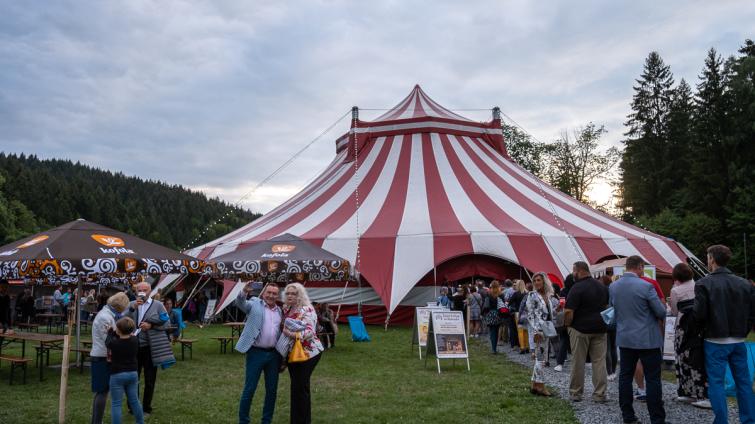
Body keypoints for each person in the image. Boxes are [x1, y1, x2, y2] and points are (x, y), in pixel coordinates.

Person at [694, 245, 755, 424]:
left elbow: (699, 314)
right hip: (738, 339)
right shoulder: (744, 283)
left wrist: (700, 332)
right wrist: (744, 330)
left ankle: (721, 421)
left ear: (712, 259)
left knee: (716, 383)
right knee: (743, 382)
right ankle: (749, 420)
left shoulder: (704, 283)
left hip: (714, 339)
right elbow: (752, 312)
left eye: (707, 257)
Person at [610, 255, 667, 424]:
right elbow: (661, 312)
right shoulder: (646, 286)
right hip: (647, 338)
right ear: (640, 266)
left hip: (625, 338)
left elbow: (613, 310)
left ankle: (628, 416)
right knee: (653, 378)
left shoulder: (613, 286)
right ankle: (657, 419)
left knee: (625, 377)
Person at [236, 282, 283, 424]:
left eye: (274, 293)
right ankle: (244, 421)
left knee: (272, 391)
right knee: (249, 388)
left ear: (278, 295)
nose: (271, 296)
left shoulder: (280, 311)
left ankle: (266, 421)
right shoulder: (254, 303)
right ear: (263, 293)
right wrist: (244, 291)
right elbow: (240, 303)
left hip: (274, 355)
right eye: (269, 292)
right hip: (255, 353)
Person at [276, 283, 324, 424]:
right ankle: (300, 419)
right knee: (298, 387)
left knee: (299, 388)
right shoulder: (287, 309)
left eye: (294, 293)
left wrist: (290, 333)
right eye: (288, 293)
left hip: (308, 354)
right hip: (293, 354)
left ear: (300, 295)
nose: (290, 296)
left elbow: (309, 331)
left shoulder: (307, 309)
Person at [124, 280, 173, 416]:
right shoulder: (130, 305)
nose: (142, 293)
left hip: (151, 347)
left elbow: (167, 324)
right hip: (133, 346)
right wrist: (132, 308)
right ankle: (132, 407)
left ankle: (146, 407)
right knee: (133, 378)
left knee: (150, 379)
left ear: (150, 291)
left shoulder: (158, 305)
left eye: (145, 290)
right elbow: (120, 321)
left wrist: (152, 326)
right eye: (140, 290)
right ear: (135, 292)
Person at [565, 261, 609, 403]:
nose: (573, 274)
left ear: (579, 271)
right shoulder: (602, 286)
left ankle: (576, 393)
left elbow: (568, 312)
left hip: (580, 329)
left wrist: (568, 325)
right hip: (600, 329)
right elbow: (607, 306)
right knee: (599, 362)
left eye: (573, 271)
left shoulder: (576, 288)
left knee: (578, 362)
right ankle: (599, 394)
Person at [668, 263, 709, 408]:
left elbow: (673, 311)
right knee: (698, 359)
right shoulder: (699, 285)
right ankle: (702, 392)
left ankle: (686, 391)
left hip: (683, 328)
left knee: (682, 358)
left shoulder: (676, 290)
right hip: (699, 328)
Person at [90, 292, 130, 424]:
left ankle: (97, 421)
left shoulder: (110, 314)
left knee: (104, 391)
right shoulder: (104, 317)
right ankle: (96, 422)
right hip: (101, 357)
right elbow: (108, 340)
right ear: (119, 307)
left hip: (106, 356)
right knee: (102, 391)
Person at [106, 317, 144, 424]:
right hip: (132, 373)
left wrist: (110, 332)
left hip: (117, 374)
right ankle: (140, 422)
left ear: (119, 329)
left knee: (116, 403)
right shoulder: (135, 340)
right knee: (134, 401)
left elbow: (107, 342)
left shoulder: (114, 343)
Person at [526, 272, 556, 397]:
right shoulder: (532, 295)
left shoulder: (547, 296)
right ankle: (541, 387)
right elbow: (530, 315)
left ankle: (534, 385)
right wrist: (536, 330)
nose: (537, 282)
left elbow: (546, 313)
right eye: (535, 280)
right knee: (541, 359)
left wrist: (555, 310)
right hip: (538, 331)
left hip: (546, 329)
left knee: (541, 358)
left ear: (544, 281)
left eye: (539, 280)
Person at [601, 275, 618, 381]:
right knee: (613, 347)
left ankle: (609, 372)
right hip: (614, 319)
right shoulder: (614, 290)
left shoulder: (602, 291)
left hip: (605, 319)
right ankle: (614, 371)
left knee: (607, 347)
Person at [482, 281, 504, 353]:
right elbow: (503, 305)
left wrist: (483, 313)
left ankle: (493, 348)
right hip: (498, 314)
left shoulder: (488, 294)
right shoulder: (500, 295)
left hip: (490, 313)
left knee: (492, 331)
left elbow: (486, 306)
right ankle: (494, 347)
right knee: (497, 330)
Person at [510, 280, 529, 353]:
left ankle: (522, 347)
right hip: (527, 313)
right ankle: (527, 346)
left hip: (518, 313)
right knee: (526, 330)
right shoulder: (527, 293)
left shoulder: (516, 294)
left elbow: (510, 302)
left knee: (520, 331)